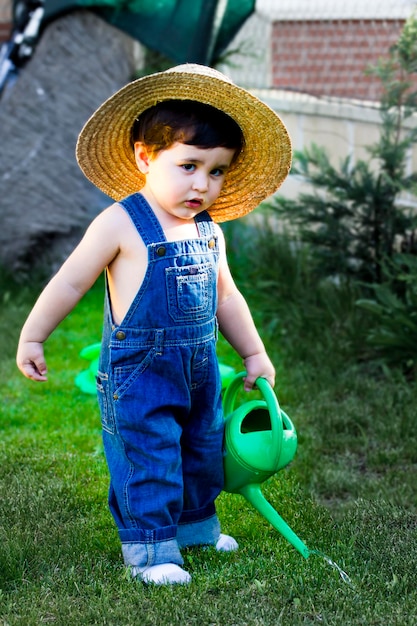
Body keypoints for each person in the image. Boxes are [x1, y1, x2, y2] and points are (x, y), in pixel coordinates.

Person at [16, 64, 292, 585]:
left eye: (217, 171)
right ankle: (149, 550)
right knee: (149, 453)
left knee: (201, 446)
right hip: (139, 374)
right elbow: (70, 282)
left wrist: (254, 353)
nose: (203, 185)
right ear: (145, 156)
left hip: (199, 368)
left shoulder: (209, 229)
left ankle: (194, 529)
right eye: (189, 166)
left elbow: (227, 296)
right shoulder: (120, 223)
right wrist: (33, 335)